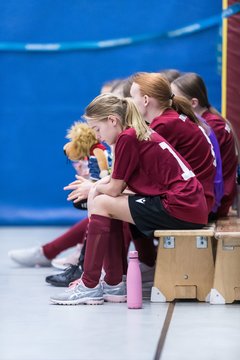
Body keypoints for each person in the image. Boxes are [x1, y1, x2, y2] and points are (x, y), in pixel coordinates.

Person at [50, 93, 208, 305]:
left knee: (102, 202)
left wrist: (94, 188)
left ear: (113, 120)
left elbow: (115, 188)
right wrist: (97, 188)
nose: (97, 137)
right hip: (188, 205)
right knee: (104, 203)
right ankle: (114, 284)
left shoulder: (127, 137)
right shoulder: (135, 134)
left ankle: (90, 285)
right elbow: (123, 187)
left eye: (97, 129)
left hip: (180, 206)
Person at [171, 72, 238, 218]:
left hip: (216, 203)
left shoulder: (212, 126)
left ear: (193, 103)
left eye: (174, 99)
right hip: (215, 198)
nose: (171, 104)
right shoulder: (209, 122)